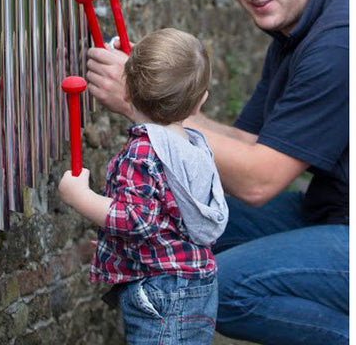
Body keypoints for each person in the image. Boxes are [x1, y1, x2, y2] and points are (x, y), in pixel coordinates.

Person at [85, 0, 349, 345]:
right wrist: (162, 98)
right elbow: (249, 145)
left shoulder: (337, 42)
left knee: (212, 286)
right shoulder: (297, 25)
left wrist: (140, 107)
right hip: (331, 213)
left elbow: (260, 179)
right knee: (176, 216)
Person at [59, 28, 230, 345]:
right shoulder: (195, 145)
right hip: (197, 282)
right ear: (199, 104)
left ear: (125, 91)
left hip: (163, 288)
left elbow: (137, 220)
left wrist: (80, 197)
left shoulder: (143, 152)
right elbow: (165, 219)